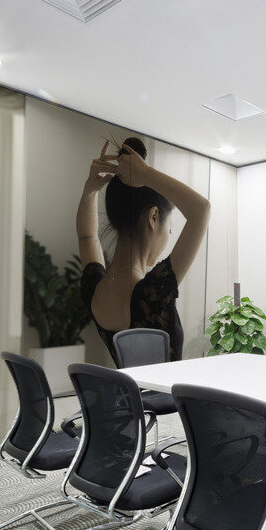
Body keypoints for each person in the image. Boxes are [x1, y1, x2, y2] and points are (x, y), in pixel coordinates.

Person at [76, 137, 210, 363]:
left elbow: (87, 236)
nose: (168, 237)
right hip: (166, 399)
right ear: (154, 217)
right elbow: (201, 210)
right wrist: (145, 173)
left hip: (129, 399)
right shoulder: (153, 294)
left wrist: (90, 189)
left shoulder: (96, 291)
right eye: (169, 229)